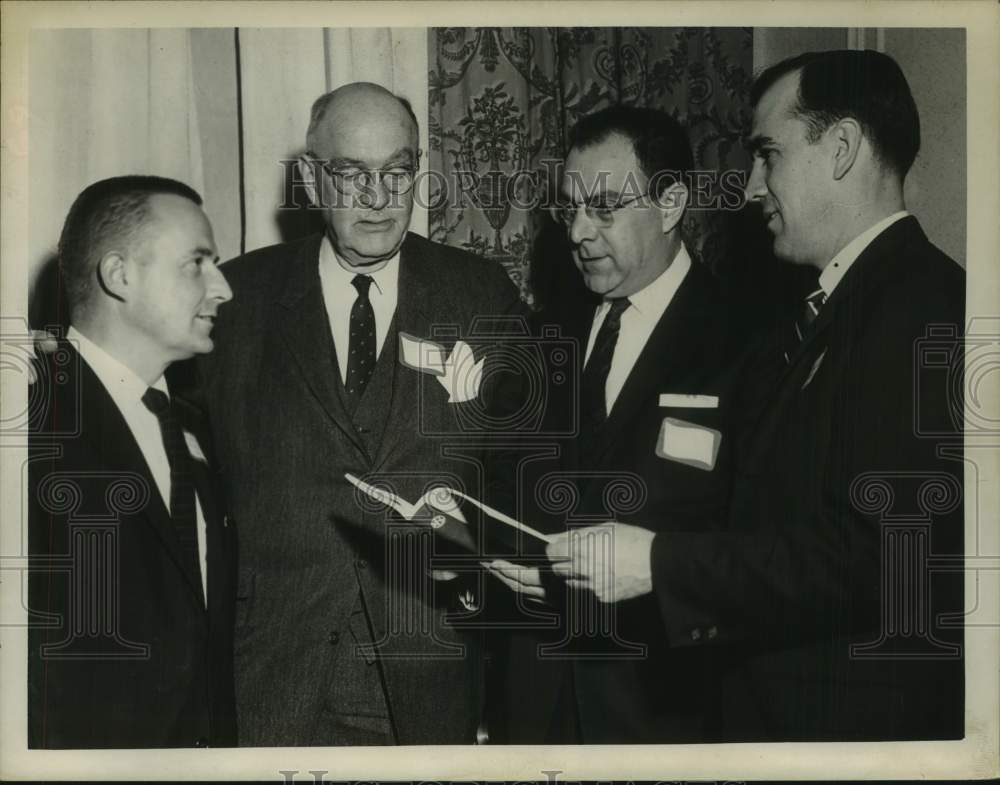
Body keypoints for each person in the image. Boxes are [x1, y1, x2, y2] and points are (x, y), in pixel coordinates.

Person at [536, 50, 966, 741]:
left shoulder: (922, 308)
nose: (750, 187)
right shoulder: (837, 306)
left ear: (843, 147)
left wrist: (657, 562)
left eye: (768, 154)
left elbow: (882, 555)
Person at [196, 82, 522, 745]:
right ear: (314, 181)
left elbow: (521, 477)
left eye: (397, 171)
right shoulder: (237, 300)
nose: (377, 196)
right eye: (351, 174)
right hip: (278, 671)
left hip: (433, 661)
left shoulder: (480, 293)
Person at [486, 106, 747, 743]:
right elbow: (505, 468)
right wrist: (506, 548)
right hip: (538, 697)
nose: (578, 231)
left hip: (665, 708)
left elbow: (757, 547)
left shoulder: (749, 340)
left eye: (603, 208)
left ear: (671, 203)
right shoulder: (547, 332)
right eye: (569, 209)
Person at [28, 176, 237, 748]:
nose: (223, 288)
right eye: (197, 263)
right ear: (119, 275)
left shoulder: (195, 427)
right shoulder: (29, 426)